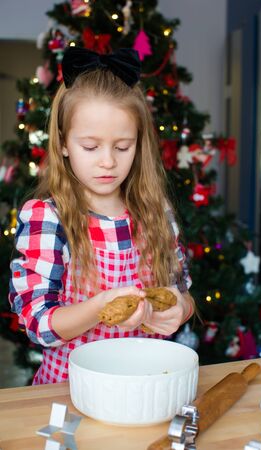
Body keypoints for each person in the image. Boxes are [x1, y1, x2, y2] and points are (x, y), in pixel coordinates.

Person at [9, 47, 195, 385]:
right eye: (91, 147)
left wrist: (180, 308)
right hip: (68, 391)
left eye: (123, 147)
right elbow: (37, 324)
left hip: (146, 385)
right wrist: (99, 307)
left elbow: (181, 289)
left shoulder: (156, 212)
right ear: (64, 143)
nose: (108, 161)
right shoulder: (49, 218)